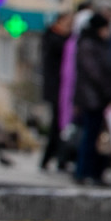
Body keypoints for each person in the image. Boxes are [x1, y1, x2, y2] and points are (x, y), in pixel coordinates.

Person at [72, 13, 111, 188]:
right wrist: (109, 90)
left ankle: (93, 172)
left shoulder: (98, 45)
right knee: (90, 137)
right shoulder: (89, 45)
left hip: (99, 98)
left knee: (96, 137)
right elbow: (95, 73)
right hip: (92, 98)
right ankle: (84, 172)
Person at [38, 9, 75, 171]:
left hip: (62, 88)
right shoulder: (54, 39)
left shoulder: (61, 38)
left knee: (60, 125)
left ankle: (58, 158)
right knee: (57, 125)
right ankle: (54, 158)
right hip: (57, 89)